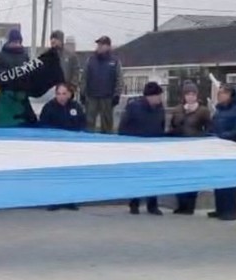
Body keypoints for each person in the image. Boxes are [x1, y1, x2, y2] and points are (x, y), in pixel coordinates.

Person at [120, 82, 167, 215]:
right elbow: (123, 126)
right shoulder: (134, 107)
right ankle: (134, 204)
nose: (160, 98)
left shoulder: (160, 109)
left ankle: (153, 205)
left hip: (153, 148)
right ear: (150, 96)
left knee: (153, 177)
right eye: (158, 96)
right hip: (136, 148)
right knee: (137, 177)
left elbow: (162, 126)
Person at [168, 83, 213, 215]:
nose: (190, 97)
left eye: (193, 94)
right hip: (179, 147)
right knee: (179, 176)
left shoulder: (203, 111)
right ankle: (181, 204)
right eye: (188, 94)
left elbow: (209, 128)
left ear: (196, 96)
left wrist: (202, 138)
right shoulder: (178, 110)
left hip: (195, 148)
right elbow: (172, 126)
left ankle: (190, 205)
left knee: (192, 177)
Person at [210, 86, 236, 221]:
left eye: (224, 93)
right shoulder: (219, 110)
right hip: (218, 149)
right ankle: (220, 209)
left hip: (232, 149)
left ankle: (231, 211)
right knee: (218, 179)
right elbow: (213, 125)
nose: (220, 95)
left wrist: (223, 136)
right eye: (219, 93)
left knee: (229, 180)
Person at [82, 36, 123, 133]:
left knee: (107, 124)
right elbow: (84, 78)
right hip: (92, 97)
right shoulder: (90, 60)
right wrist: (82, 93)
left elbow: (119, 79)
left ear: (108, 46)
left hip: (107, 98)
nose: (99, 47)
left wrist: (117, 95)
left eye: (102, 44)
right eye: (98, 44)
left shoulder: (115, 61)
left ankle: (107, 143)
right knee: (89, 124)